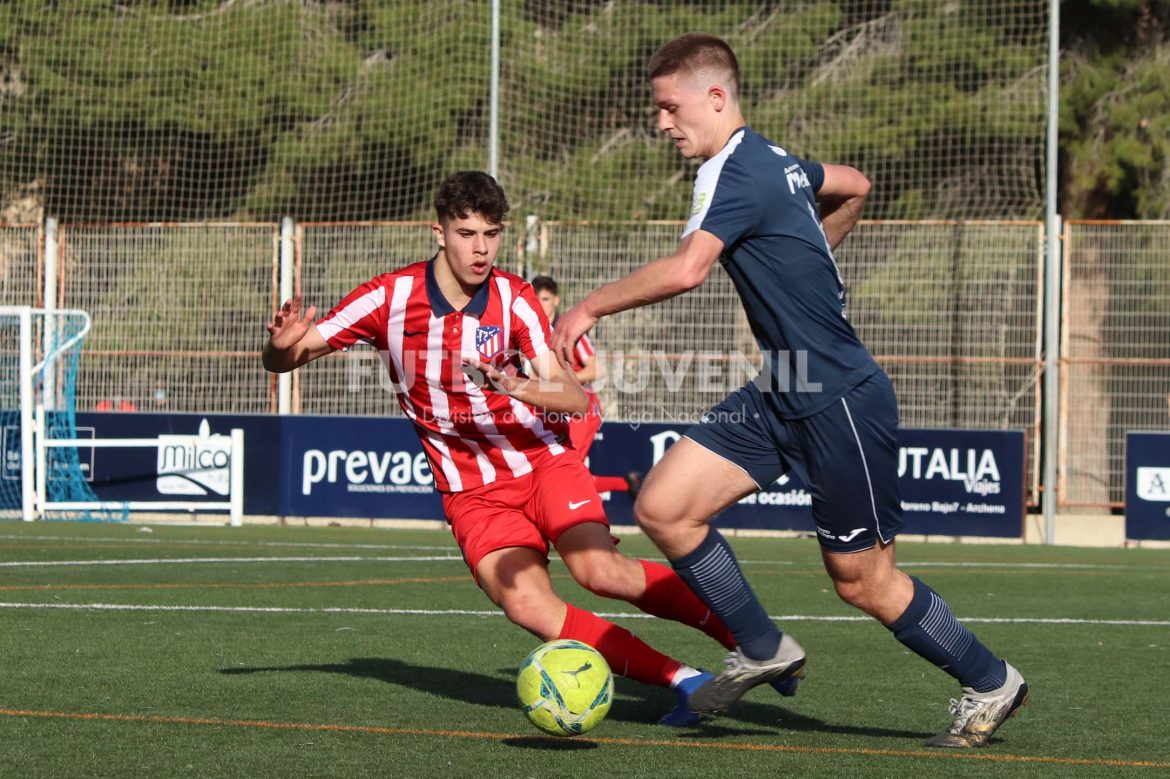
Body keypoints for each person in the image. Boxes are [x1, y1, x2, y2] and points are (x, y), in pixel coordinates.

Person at [553, 33, 1028, 749]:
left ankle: (992, 679)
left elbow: (688, 270)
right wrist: (809, 253)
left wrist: (587, 306)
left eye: (668, 106)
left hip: (837, 394)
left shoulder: (731, 169)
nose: (660, 122)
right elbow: (855, 183)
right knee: (665, 506)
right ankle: (762, 644)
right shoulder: (773, 160)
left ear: (716, 97)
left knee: (863, 579)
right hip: (784, 385)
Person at [263, 170, 752, 727]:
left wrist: (518, 385)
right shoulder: (388, 297)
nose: (480, 248)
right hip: (470, 491)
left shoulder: (514, 297)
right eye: (467, 233)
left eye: (491, 234)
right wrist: (278, 349)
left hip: (541, 460)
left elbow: (571, 396)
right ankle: (686, 682)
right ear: (438, 233)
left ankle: (749, 638)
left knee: (600, 571)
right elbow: (291, 356)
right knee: (527, 604)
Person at [530, 274, 643, 499]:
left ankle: (590, 525)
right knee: (558, 474)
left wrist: (560, 384)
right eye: (536, 299)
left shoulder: (567, 331)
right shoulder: (535, 333)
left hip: (583, 412)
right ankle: (626, 484)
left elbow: (595, 370)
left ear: (556, 301)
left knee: (564, 475)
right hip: (558, 413)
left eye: (545, 299)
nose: (540, 304)